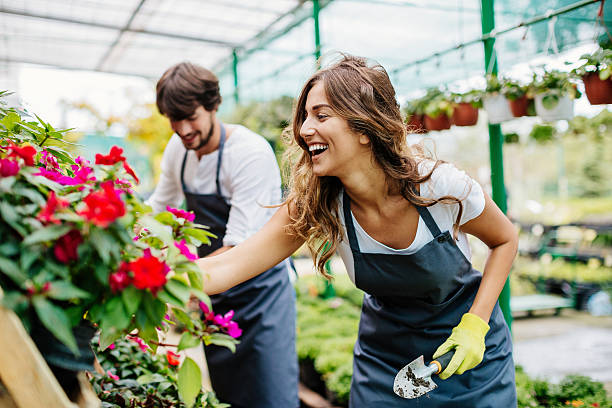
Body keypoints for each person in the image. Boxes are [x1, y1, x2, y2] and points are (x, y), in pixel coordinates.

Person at [196, 54, 518, 407]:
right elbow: (229, 266)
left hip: (466, 361)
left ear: (364, 128)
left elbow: (505, 239)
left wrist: (477, 324)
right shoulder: (320, 204)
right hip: (384, 362)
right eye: (305, 117)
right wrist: (150, 280)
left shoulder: (437, 186)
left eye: (321, 115)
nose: (304, 129)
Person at [148, 62, 298, 408]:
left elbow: (238, 247)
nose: (183, 129)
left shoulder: (249, 153)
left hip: (260, 296)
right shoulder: (178, 150)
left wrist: (173, 285)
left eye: (191, 116)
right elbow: (160, 205)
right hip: (216, 293)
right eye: (174, 119)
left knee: (269, 395)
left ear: (213, 106)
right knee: (229, 393)